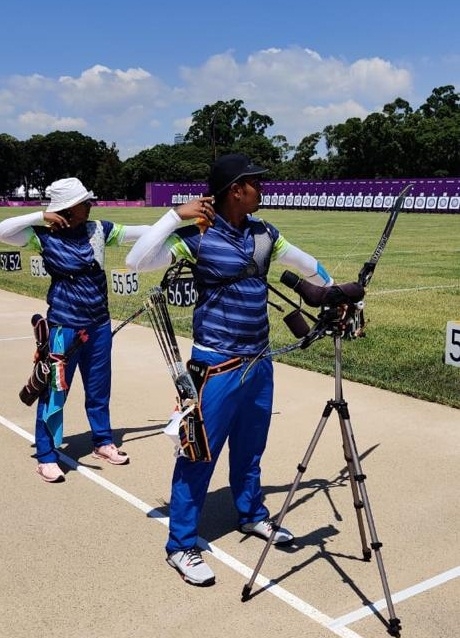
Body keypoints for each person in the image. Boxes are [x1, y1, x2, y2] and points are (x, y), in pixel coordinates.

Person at [125, 153, 333, 586]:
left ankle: (252, 515)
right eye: (256, 182)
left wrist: (336, 289)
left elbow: (306, 263)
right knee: (197, 453)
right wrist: (174, 214)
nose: (263, 188)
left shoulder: (264, 233)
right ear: (236, 190)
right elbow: (137, 262)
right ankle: (181, 544)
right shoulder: (197, 237)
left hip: (259, 362)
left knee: (250, 449)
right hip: (215, 366)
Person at [0, 177, 152, 483]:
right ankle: (46, 454)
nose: (90, 205)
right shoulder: (42, 236)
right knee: (55, 391)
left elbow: (141, 233)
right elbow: (2, 231)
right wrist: (39, 215)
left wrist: (176, 223)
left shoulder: (99, 230)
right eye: (85, 203)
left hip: (98, 324)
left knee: (99, 388)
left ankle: (102, 441)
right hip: (63, 328)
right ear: (69, 209)